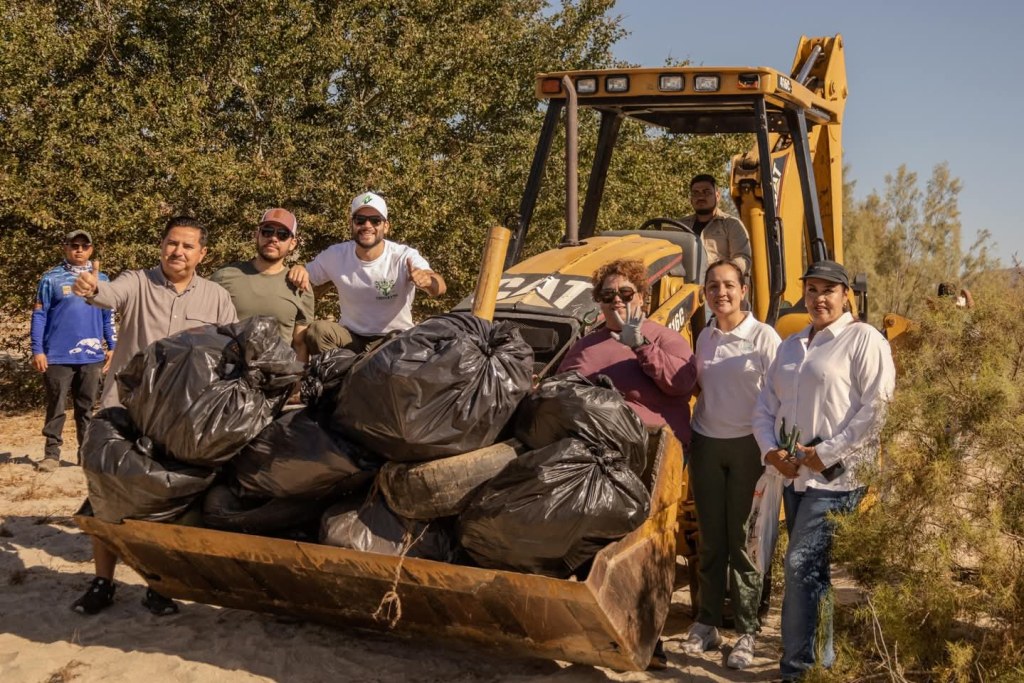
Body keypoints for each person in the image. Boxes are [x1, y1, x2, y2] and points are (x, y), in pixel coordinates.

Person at [70, 215, 237, 616]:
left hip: (179, 420)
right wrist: (92, 288)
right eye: (171, 243)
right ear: (161, 245)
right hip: (122, 411)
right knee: (105, 495)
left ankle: (159, 586)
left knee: (172, 503)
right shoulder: (138, 282)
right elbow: (109, 294)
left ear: (202, 253)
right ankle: (103, 581)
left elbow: (233, 351)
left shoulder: (216, 297)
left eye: (186, 246)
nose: (177, 251)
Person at [752, 260, 896, 680]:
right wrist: (769, 452)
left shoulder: (863, 340)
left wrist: (827, 453)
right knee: (811, 571)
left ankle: (796, 671)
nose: (818, 298)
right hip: (795, 476)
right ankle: (822, 662)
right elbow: (765, 406)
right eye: (811, 290)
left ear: (845, 295)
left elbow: (878, 409)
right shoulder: (791, 345)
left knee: (798, 565)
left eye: (828, 290)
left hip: (838, 478)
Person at [556, 257, 697, 670]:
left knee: (645, 547)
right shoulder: (585, 346)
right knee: (592, 539)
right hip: (599, 455)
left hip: (657, 456)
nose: (616, 302)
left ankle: (651, 643)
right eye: (607, 295)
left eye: (625, 294)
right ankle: (598, 627)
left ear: (643, 297)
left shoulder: (665, 339)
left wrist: (639, 346)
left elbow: (681, 383)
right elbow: (562, 390)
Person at [684, 260, 781, 668]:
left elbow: (779, 396)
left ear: (744, 289)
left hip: (748, 447)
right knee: (711, 538)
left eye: (728, 285)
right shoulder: (704, 337)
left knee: (745, 542)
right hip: (706, 443)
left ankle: (745, 631)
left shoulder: (763, 337)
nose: (720, 292)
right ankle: (706, 622)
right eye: (712, 286)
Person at [287, 192, 446, 354]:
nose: (367, 225)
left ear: (386, 226)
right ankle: (342, 375)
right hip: (351, 338)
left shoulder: (404, 256)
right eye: (360, 220)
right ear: (352, 224)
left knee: (400, 344)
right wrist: (299, 269)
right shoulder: (335, 255)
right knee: (318, 331)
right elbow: (306, 276)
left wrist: (428, 281)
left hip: (393, 339)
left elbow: (439, 287)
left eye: (375, 220)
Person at [30, 230, 117, 472]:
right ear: (65, 248)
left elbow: (108, 315)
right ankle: (51, 454)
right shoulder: (51, 279)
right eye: (74, 245)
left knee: (86, 406)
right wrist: (38, 350)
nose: (79, 250)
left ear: (92, 249)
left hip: (91, 356)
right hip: (57, 354)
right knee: (56, 405)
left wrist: (113, 346)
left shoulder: (103, 279)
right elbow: (39, 316)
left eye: (84, 246)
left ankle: (86, 454)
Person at [211, 208, 314, 361]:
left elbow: (300, 344)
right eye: (267, 231)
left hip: (276, 377)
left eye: (282, 235)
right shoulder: (225, 276)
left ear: (292, 244)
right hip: (228, 373)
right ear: (256, 235)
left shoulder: (300, 285)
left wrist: (297, 383)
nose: (273, 238)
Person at [680, 174, 752, 276]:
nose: (700, 197)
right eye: (695, 193)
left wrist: (721, 273)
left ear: (717, 196)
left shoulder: (732, 225)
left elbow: (743, 259)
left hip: (717, 286)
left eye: (706, 192)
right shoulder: (680, 225)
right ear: (691, 199)